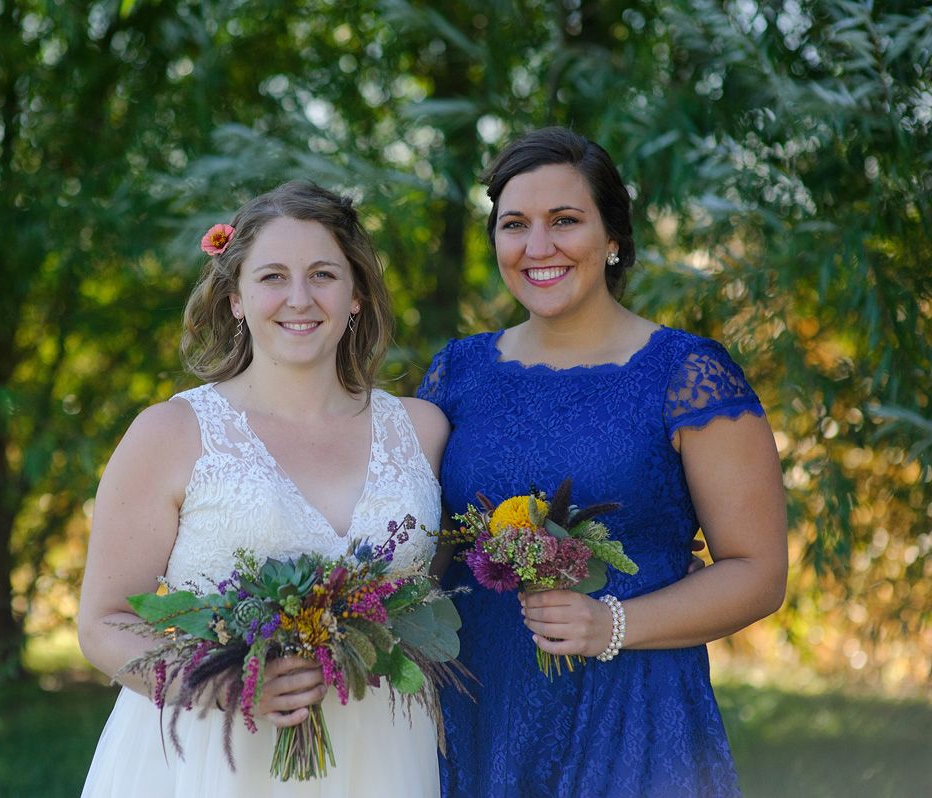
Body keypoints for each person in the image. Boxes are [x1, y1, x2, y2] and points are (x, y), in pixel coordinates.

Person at [418, 127, 788, 797]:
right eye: (515, 225)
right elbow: (427, 551)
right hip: (482, 713)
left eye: (565, 221)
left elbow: (758, 573)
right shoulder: (457, 374)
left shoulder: (686, 374)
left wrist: (611, 624)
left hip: (634, 714)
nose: (538, 247)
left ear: (613, 236)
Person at [77, 180, 448, 796]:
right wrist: (224, 683)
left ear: (356, 294)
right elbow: (103, 624)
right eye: (272, 276)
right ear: (235, 300)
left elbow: (433, 591)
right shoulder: (171, 433)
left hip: (380, 755)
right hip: (216, 760)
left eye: (323, 274)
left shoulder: (423, 431)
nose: (299, 298)